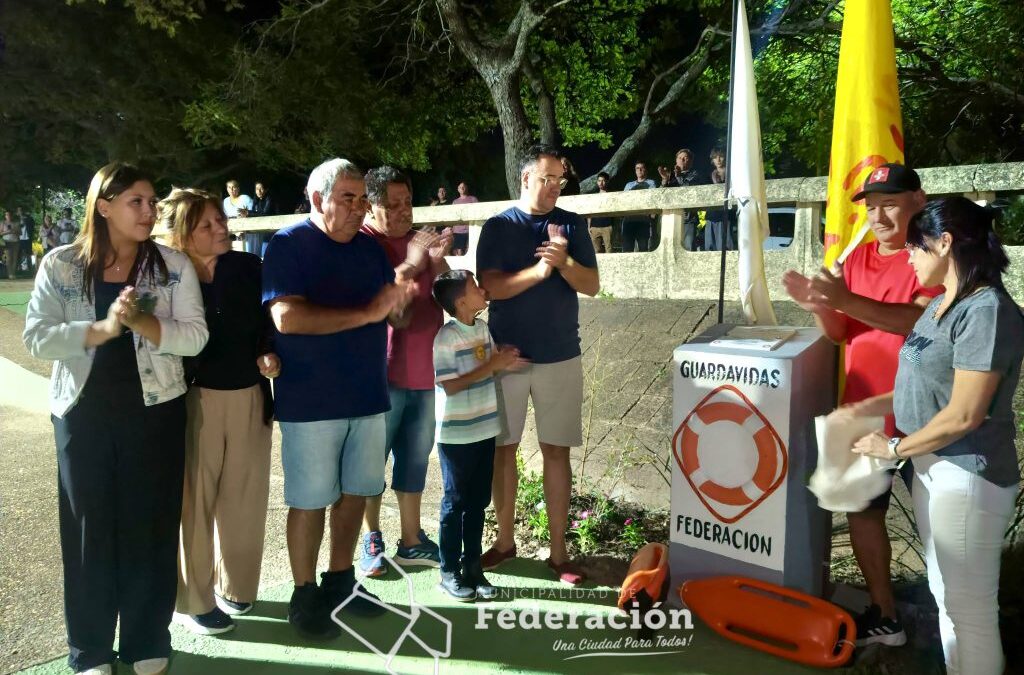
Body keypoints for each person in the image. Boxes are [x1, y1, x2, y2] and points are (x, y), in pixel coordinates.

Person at [22, 162, 208, 675]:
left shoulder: (172, 265)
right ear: (104, 206)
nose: (150, 212)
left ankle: (148, 641)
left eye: (152, 203)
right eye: (138, 202)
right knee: (88, 533)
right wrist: (102, 329)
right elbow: (36, 336)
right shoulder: (60, 265)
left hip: (156, 413)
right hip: (82, 417)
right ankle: (90, 650)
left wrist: (141, 321)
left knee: (150, 527)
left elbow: (195, 336)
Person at [847, 196, 1023, 675]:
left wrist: (894, 448)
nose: (907, 257)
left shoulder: (985, 310)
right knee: (947, 600)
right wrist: (872, 410)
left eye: (915, 248)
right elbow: (924, 385)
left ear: (944, 244)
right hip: (931, 470)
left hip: (967, 473)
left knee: (971, 614)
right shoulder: (943, 302)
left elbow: (965, 413)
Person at [782, 164, 942, 646]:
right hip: (864, 408)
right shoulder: (856, 258)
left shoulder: (936, 254)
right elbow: (840, 334)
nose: (878, 215)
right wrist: (822, 307)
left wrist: (843, 299)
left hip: (925, 412)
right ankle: (886, 615)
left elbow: (916, 322)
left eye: (890, 203)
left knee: (940, 526)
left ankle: (956, 618)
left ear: (918, 198)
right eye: (871, 207)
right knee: (862, 514)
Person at [262, 158, 414, 639]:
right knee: (309, 500)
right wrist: (368, 312)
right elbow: (287, 318)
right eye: (346, 198)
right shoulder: (288, 244)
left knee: (357, 493)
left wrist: (399, 302)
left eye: (361, 199)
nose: (357, 208)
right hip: (311, 401)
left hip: (368, 396)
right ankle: (304, 593)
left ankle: (341, 580)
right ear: (316, 199)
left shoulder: (370, 250)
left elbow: (395, 319)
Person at [475, 144, 600, 585]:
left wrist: (564, 261)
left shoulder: (571, 224)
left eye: (559, 180)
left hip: (561, 354)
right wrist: (539, 272)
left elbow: (592, 286)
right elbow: (490, 287)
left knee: (556, 451)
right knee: (502, 449)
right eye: (545, 178)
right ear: (525, 178)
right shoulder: (498, 227)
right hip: (506, 357)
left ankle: (559, 553)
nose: (553, 188)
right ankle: (504, 542)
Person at [163, 189, 279, 636]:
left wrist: (270, 355)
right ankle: (194, 600)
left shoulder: (249, 268)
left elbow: (269, 327)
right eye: (208, 225)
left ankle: (238, 587)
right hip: (193, 400)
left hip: (251, 395)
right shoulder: (168, 274)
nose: (221, 229)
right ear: (182, 233)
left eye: (220, 221)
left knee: (246, 498)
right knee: (195, 503)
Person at [359, 166, 451, 577]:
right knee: (369, 465)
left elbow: (449, 299)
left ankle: (411, 539)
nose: (402, 212)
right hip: (379, 376)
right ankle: (371, 538)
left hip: (424, 373)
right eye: (391, 204)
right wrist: (413, 264)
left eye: (407, 202)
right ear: (371, 205)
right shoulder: (363, 244)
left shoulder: (420, 242)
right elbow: (395, 314)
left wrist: (440, 260)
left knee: (414, 461)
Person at [431, 270, 525, 600]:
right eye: (475, 286)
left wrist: (508, 360)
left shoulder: (483, 329)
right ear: (460, 302)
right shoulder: (446, 337)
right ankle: (448, 571)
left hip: (485, 429)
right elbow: (450, 384)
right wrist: (493, 365)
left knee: (477, 503)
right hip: (456, 436)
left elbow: (491, 364)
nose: (482, 290)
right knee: (455, 503)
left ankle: (473, 567)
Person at [658, 148, 703, 250]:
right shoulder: (669, 175)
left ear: (691, 161)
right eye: (679, 158)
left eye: (685, 158)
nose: (682, 160)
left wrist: (678, 177)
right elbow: (661, 195)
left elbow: (688, 192)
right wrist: (664, 181)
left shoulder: (695, 175)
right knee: (668, 249)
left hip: (687, 219)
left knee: (687, 248)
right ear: (676, 161)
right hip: (669, 218)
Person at [621, 161, 657, 252]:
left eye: (642, 168)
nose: (640, 170)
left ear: (646, 170)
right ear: (635, 171)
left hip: (643, 221)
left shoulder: (651, 183)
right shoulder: (629, 185)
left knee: (643, 249)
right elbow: (623, 200)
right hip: (629, 221)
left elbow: (652, 199)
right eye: (637, 168)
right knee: (627, 250)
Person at [705, 148, 734, 251]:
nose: (718, 159)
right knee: (709, 247)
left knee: (726, 247)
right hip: (711, 215)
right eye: (715, 157)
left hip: (727, 215)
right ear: (712, 160)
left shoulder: (733, 174)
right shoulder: (709, 176)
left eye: (721, 156)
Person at [587, 172, 615, 253]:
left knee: (609, 251)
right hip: (595, 226)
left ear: (607, 181)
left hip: (607, 226)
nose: (601, 183)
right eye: (599, 180)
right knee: (596, 252)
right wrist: (589, 226)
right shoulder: (594, 196)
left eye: (603, 180)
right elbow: (590, 211)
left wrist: (613, 226)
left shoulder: (611, 195)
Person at [451, 181, 478, 256]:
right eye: (460, 187)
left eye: (463, 186)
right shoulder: (455, 202)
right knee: (459, 252)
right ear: (458, 189)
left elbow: (478, 212)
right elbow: (452, 216)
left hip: (471, 230)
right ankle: (459, 268)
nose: (462, 188)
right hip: (458, 231)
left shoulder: (473, 199)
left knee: (470, 251)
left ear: (466, 188)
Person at [17, 206, 35, 273]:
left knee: (28, 254)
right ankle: (19, 269)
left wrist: (24, 219)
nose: (20, 212)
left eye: (21, 210)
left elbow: (32, 227)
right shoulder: (16, 219)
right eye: (18, 210)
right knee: (18, 254)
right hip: (18, 239)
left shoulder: (29, 218)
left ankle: (30, 269)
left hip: (27, 238)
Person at [2, 210, 19, 279]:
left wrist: (15, 231)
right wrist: (7, 232)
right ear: (5, 216)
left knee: (15, 258)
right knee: (9, 258)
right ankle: (9, 274)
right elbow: (0, 233)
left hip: (15, 242)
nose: (8, 216)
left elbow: (20, 233)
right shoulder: (2, 223)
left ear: (11, 216)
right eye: (7, 215)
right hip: (7, 242)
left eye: (9, 215)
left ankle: (13, 274)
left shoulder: (16, 223)